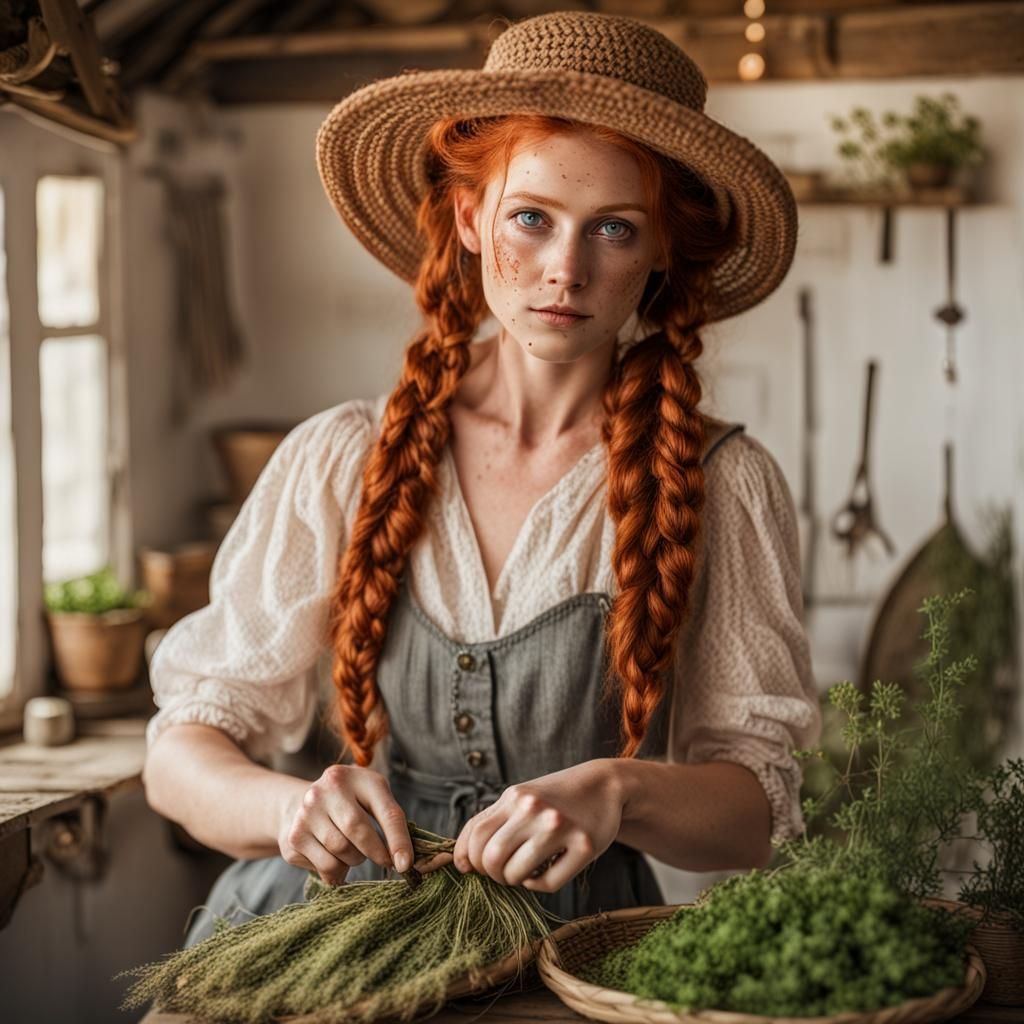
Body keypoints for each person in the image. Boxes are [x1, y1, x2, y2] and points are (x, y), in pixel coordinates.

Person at [142, 10, 822, 945]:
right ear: (470, 217)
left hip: (576, 947)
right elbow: (182, 754)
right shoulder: (342, 458)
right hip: (326, 932)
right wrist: (288, 810)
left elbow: (754, 810)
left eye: (615, 230)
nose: (565, 270)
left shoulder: (720, 482)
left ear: (662, 250)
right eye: (530, 219)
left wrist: (619, 789)